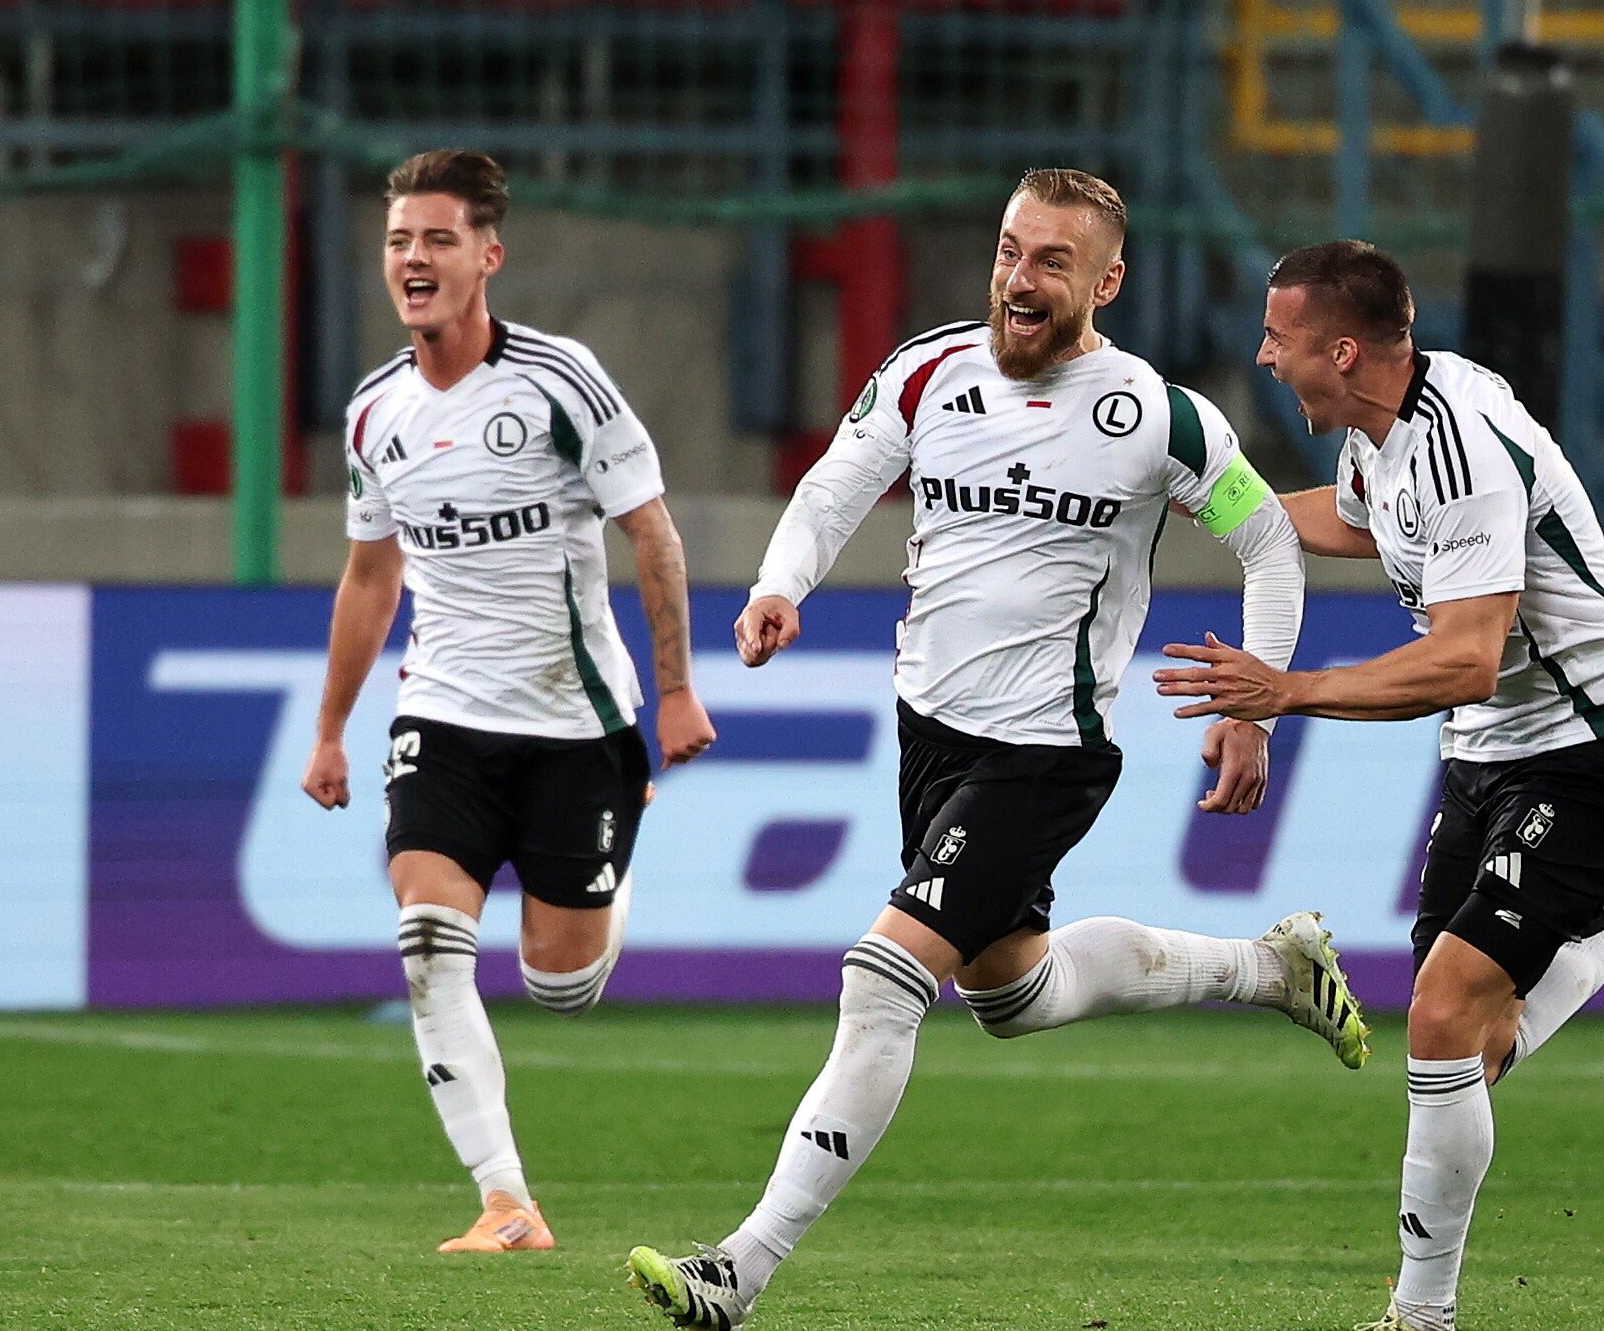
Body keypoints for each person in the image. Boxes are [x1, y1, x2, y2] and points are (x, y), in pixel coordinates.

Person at [626, 171, 1367, 1330]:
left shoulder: (1156, 415)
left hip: (1044, 748)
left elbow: (1270, 544)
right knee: (1011, 991)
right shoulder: (926, 371)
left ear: (1107, 280)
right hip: (930, 732)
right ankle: (1270, 968)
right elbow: (836, 483)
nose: (1021, 281)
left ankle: (742, 1266)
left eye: (1052, 263)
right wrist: (781, 583)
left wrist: (1256, 702)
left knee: (882, 977)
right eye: (1012, 253)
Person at [1156, 239, 1604, 1331]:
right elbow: (1352, 523)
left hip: (1598, 747)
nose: (1263, 356)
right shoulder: (1376, 436)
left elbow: (1466, 658)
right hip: (1488, 756)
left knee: (1441, 1017)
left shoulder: (1464, 446)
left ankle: (1419, 1315)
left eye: (1278, 340)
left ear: (1340, 349)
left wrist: (1284, 692)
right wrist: (1195, 498)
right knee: (1468, 1046)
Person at [301, 148, 717, 1254]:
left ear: (489, 255)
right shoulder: (374, 413)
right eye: (398, 240)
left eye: (436, 239)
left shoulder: (558, 383)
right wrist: (331, 729)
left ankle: (617, 852)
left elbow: (653, 533)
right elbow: (371, 574)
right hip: (440, 715)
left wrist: (673, 692)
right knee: (429, 942)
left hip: (575, 722)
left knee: (559, 984)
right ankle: (505, 1199)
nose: (413, 259)